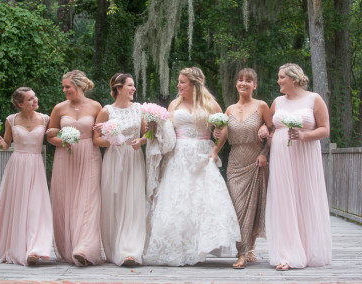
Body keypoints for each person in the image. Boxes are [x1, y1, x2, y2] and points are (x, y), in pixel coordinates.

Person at [142, 67, 241, 266]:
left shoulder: (210, 104)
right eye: (178, 82)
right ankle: (178, 247)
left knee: (203, 199)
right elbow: (165, 130)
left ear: (194, 84)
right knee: (178, 200)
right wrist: (151, 130)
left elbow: (223, 127)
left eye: (182, 82)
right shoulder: (174, 104)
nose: (178, 85)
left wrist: (215, 150)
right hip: (178, 156)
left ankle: (200, 246)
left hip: (203, 154)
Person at [266, 63, 332, 271]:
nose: (278, 81)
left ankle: (308, 249)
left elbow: (325, 129)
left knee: (304, 198)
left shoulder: (314, 99)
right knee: (284, 201)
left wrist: (304, 135)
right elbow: (269, 126)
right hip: (281, 158)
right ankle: (287, 253)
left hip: (305, 156)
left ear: (293, 79)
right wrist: (263, 130)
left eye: (281, 77)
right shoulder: (277, 102)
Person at [0, 87, 52, 266]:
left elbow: (53, 138)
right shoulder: (11, 120)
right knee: (19, 206)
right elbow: (6, 146)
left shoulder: (45, 119)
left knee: (36, 207)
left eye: (34, 96)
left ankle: (35, 249)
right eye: (30, 99)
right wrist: (0, 143)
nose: (35, 100)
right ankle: (18, 248)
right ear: (20, 104)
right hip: (17, 166)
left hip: (36, 166)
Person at [214, 68, 272, 269]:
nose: (244, 83)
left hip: (256, 161)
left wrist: (264, 152)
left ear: (254, 85)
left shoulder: (262, 106)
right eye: (240, 80)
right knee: (239, 209)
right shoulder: (229, 109)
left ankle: (243, 253)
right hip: (235, 163)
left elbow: (273, 130)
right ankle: (245, 249)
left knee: (254, 208)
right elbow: (222, 134)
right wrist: (216, 138)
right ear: (236, 83)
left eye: (248, 80)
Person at [47, 70, 103, 266]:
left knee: (89, 202)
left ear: (79, 86)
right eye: (63, 87)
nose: (64, 90)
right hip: (65, 157)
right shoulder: (59, 108)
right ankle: (69, 245)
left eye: (67, 87)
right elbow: (50, 136)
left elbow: (100, 136)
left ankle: (84, 247)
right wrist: (63, 141)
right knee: (65, 200)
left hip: (89, 156)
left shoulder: (96, 106)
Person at [93, 73, 147, 266]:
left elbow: (147, 133)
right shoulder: (106, 111)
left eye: (133, 86)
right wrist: (111, 140)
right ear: (118, 88)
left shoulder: (138, 109)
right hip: (114, 159)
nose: (133, 89)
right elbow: (96, 140)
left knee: (133, 202)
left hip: (133, 158)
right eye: (130, 85)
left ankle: (131, 250)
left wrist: (141, 140)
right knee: (114, 202)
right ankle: (115, 247)